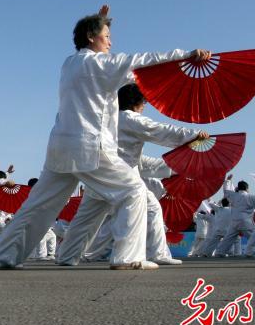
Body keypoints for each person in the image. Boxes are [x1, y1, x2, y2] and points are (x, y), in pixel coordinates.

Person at [0, 4, 211, 270]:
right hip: (90, 146)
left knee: (38, 206)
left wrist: (101, 20)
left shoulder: (69, 64)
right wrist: (184, 56)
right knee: (133, 191)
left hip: (60, 146)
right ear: (91, 37)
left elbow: (115, 63)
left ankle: (4, 257)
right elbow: (141, 61)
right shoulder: (99, 65)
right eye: (107, 36)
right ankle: (127, 257)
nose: (111, 42)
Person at [56, 83, 203, 266]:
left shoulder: (107, 120)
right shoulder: (131, 119)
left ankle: (67, 256)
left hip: (98, 176)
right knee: (150, 208)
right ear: (137, 102)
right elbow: (160, 131)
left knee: (85, 220)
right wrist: (194, 136)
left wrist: (175, 167)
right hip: (122, 178)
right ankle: (146, 255)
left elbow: (139, 161)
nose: (145, 106)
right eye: (144, 102)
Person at [214, 176, 255, 256]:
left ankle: (219, 253)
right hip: (246, 222)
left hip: (234, 221)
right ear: (247, 188)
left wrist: (228, 180)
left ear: (238, 188)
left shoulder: (233, 195)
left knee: (228, 239)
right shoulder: (251, 197)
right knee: (254, 237)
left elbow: (226, 191)